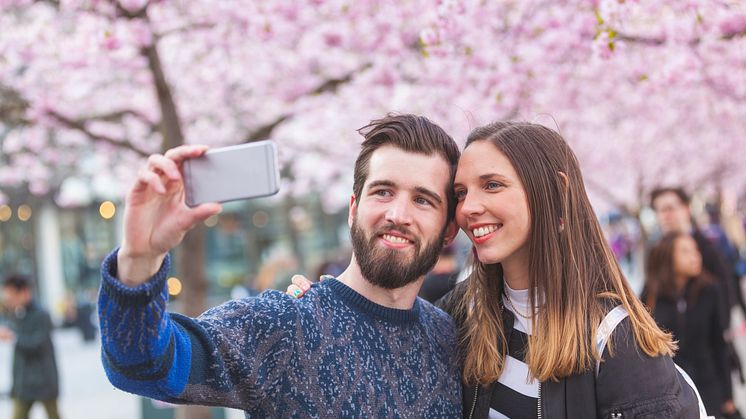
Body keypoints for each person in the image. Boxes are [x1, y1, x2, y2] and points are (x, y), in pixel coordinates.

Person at [291, 121, 701, 418]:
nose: (469, 208)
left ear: (555, 193)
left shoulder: (613, 340)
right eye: (460, 193)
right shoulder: (460, 317)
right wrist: (326, 304)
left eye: (492, 185)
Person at [98, 114, 463, 417]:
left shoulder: (449, 338)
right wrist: (139, 258)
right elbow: (142, 365)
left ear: (449, 230)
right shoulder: (284, 325)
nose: (398, 214)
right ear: (353, 209)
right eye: (383, 191)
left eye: (423, 200)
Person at [651, 187, 744, 385]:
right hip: (674, 357)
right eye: (659, 210)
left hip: (708, 354)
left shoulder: (708, 246)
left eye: (670, 208)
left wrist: (719, 326)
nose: (665, 215)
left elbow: (727, 288)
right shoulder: (656, 253)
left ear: (686, 209)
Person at [643, 232, 740, 418]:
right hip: (673, 389)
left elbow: (720, 344)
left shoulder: (710, 290)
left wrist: (728, 396)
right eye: (685, 252)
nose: (695, 256)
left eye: (695, 250)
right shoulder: (650, 295)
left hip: (709, 385)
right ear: (668, 256)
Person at [0, 274, 61, 419]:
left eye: (11, 296)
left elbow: (37, 344)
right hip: (23, 383)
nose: (9, 301)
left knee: (53, 415)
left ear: (24, 292)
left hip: (44, 380)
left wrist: (12, 337)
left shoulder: (42, 314)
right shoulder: (16, 313)